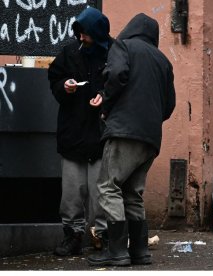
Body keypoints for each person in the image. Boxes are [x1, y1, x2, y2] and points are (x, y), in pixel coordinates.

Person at [86, 13, 176, 266]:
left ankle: (116, 251)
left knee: (108, 185)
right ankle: (139, 251)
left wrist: (106, 101)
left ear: (130, 28)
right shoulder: (163, 60)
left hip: (124, 130)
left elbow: (116, 74)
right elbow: (169, 105)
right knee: (132, 193)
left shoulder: (123, 46)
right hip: (150, 138)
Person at [48, 7, 113, 256]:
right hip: (73, 133)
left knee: (101, 193)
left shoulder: (114, 53)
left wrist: (105, 98)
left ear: (97, 33)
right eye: (80, 33)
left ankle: (103, 236)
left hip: (100, 134)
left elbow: (121, 83)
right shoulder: (69, 51)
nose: (82, 38)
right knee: (72, 193)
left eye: (86, 34)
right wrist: (64, 86)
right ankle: (73, 235)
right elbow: (54, 78)